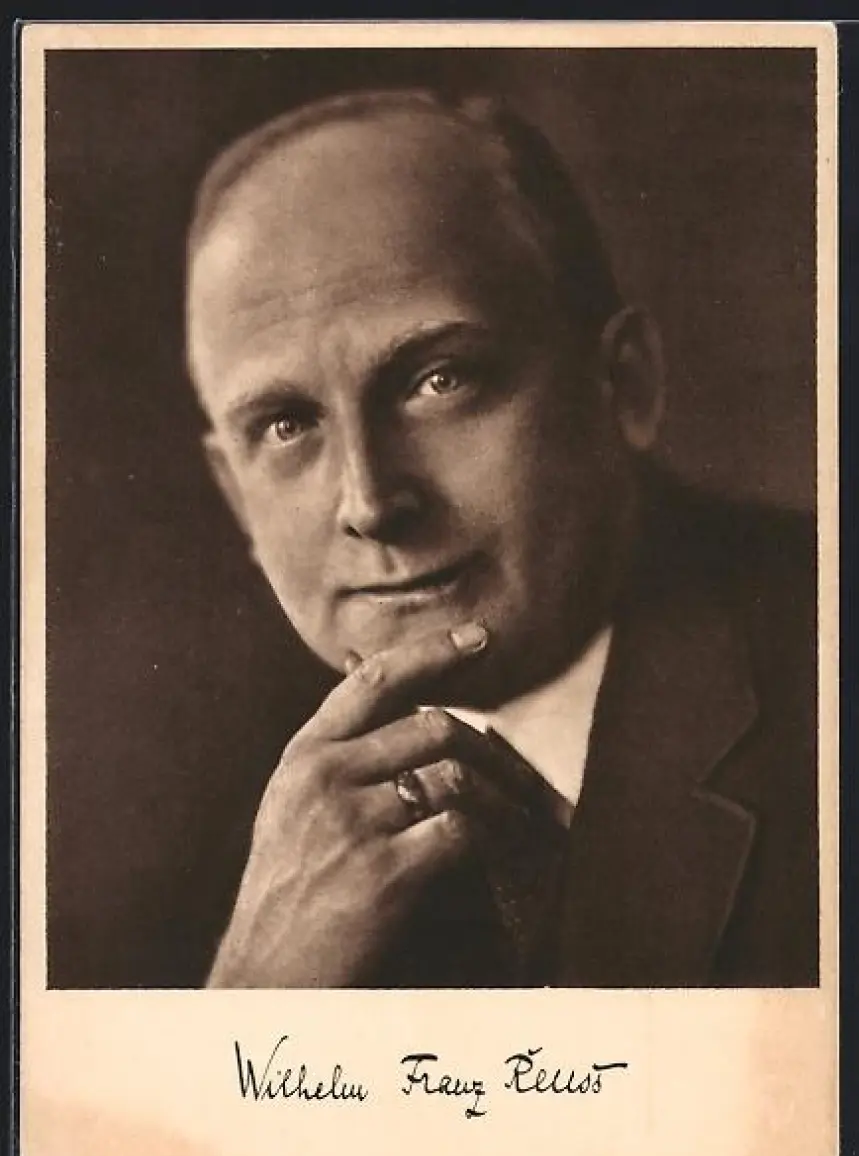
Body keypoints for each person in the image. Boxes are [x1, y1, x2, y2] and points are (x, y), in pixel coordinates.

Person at [184, 89, 818, 989]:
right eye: (287, 425)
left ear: (624, 383)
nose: (369, 502)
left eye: (439, 380)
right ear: (236, 498)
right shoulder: (230, 852)